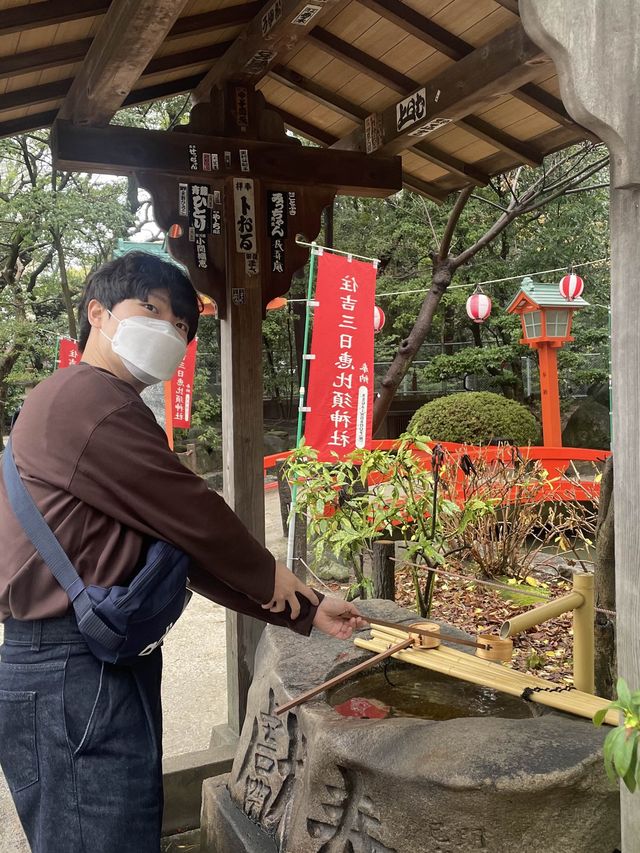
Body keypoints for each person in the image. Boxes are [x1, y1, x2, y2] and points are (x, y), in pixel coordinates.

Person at [0, 251, 364, 853]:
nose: (168, 331)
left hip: (94, 657)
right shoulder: (89, 400)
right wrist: (274, 575)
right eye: (151, 310)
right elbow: (194, 513)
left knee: (119, 830)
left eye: (182, 327)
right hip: (69, 666)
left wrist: (304, 607)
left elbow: (177, 551)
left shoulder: (95, 402)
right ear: (97, 313)